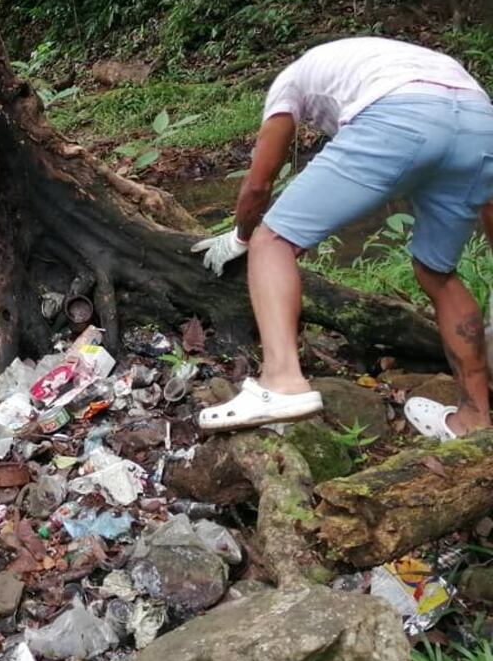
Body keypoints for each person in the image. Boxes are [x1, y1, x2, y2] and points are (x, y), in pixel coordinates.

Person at [193, 36, 493, 439]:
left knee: (274, 241)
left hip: (400, 116)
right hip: (480, 122)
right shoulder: (398, 59)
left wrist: (241, 237)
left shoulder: (291, 79)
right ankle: (474, 418)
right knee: (437, 273)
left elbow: (259, 184)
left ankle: (281, 382)